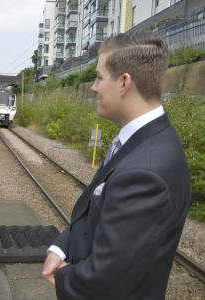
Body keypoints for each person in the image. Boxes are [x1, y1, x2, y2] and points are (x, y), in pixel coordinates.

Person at [42, 31, 191, 299]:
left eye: (99, 77)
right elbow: (98, 210)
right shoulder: (142, 140)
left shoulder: (146, 173)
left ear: (124, 83)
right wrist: (62, 246)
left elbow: (103, 280)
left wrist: (64, 275)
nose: (93, 87)